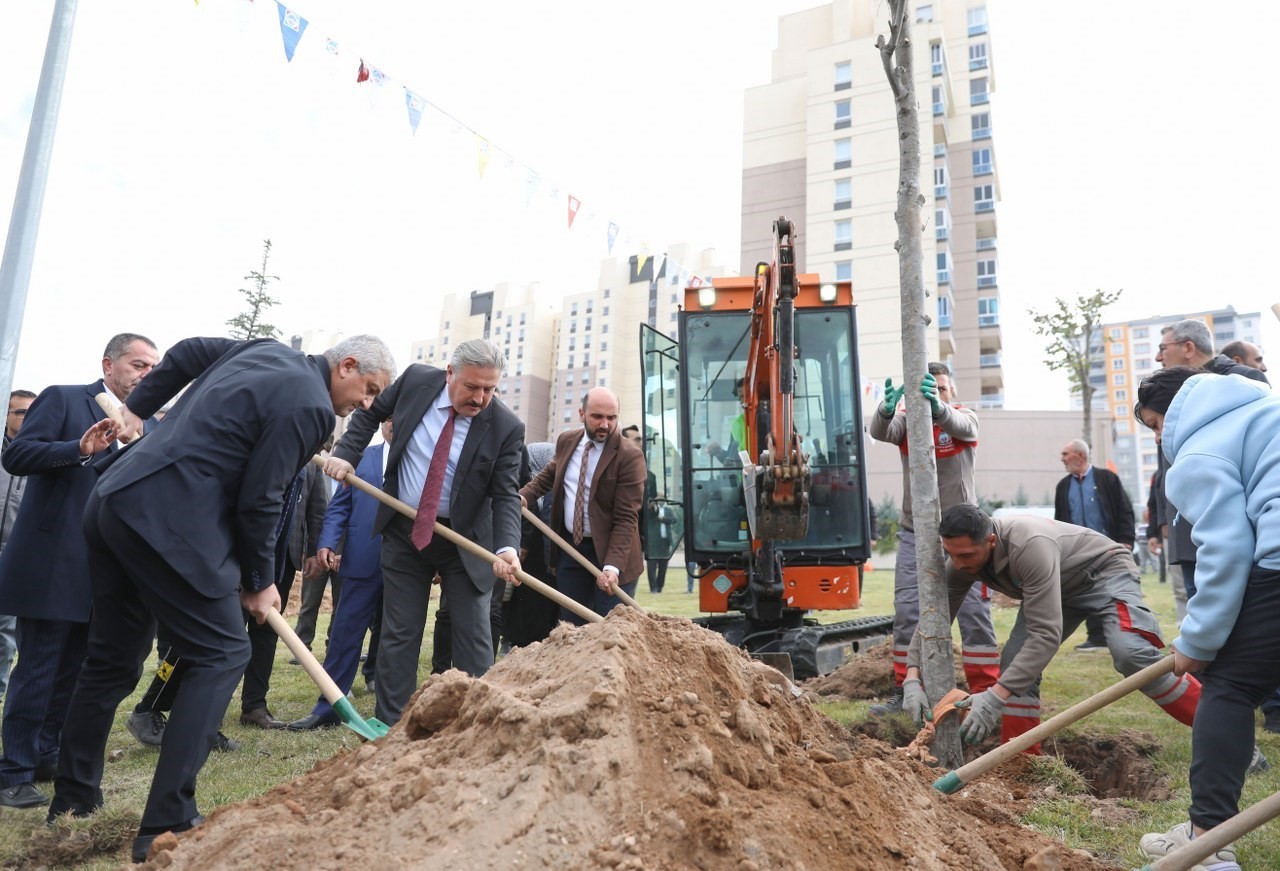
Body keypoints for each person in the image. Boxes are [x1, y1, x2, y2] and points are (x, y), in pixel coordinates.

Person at [46, 334, 393, 862]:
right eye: (368, 390)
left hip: (115, 500)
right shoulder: (312, 407)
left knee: (112, 659)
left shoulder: (263, 350)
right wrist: (258, 578)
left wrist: (134, 410)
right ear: (346, 366)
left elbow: (185, 353)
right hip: (166, 520)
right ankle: (168, 819)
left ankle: (71, 801)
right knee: (224, 652)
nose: (366, 404)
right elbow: (262, 496)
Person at [323, 338, 524, 727]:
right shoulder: (415, 381)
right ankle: (392, 726)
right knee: (399, 633)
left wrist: (507, 548)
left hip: (465, 541)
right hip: (404, 529)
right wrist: (345, 455)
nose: (480, 398)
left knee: (474, 639)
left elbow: (505, 495)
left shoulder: (506, 428)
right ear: (450, 373)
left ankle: (475, 728)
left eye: (490, 389)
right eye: (472, 386)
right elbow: (367, 415)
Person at [0, 334, 159, 810]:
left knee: (76, 674)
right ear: (109, 364)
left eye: (154, 366)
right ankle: (13, 771)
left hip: (108, 572)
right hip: (54, 566)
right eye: (138, 364)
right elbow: (17, 456)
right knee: (39, 669)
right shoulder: (66, 398)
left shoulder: (149, 425)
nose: (146, 373)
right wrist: (79, 448)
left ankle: (48, 754)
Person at [903, 504, 1201, 751]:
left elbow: (1045, 636)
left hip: (1103, 573)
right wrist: (912, 677)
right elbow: (934, 618)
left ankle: (1220, 728)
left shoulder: (1028, 546)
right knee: (1015, 664)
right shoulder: (961, 562)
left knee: (1131, 654)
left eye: (966, 555)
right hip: (1058, 586)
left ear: (991, 541)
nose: (958, 563)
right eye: (951, 554)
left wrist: (994, 698)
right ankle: (1020, 758)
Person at [1134, 365, 1280, 868]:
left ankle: (1208, 840)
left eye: (1154, 425)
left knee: (1231, 687)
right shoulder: (1263, 408)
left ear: (1174, 410)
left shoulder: (1197, 450)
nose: (1158, 438)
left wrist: (1197, 642)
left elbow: (1225, 548)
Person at [866, 363, 999, 715]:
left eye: (940, 388)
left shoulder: (962, 417)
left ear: (951, 391)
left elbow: (962, 425)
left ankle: (987, 692)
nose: (934, 395)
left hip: (965, 536)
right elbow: (879, 430)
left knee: (973, 614)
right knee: (909, 611)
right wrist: (886, 408)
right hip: (915, 533)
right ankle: (907, 690)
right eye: (927, 389)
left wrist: (939, 410)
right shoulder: (908, 423)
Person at [288, 418, 394, 731]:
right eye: (390, 417)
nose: (395, 423)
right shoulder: (361, 458)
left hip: (405, 566)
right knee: (345, 634)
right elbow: (339, 506)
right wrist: (327, 541)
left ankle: (390, 712)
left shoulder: (422, 459)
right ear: (385, 422)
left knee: (394, 637)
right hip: (361, 559)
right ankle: (328, 708)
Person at [519, 388, 645, 624]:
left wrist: (612, 567)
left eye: (612, 418)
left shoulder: (630, 456)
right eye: (597, 416)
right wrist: (524, 495)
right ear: (581, 413)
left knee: (609, 627)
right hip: (572, 550)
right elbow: (549, 475)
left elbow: (626, 518)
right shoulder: (568, 441)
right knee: (572, 625)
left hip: (613, 553)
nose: (605, 425)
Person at [237, 459, 329, 730]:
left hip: (283, 559)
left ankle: (254, 706)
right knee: (228, 629)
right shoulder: (265, 448)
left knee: (266, 630)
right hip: (244, 555)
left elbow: (317, 508)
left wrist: (313, 550)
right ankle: (206, 705)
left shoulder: (312, 463)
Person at [1053, 438, 1135, 651]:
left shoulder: (1107, 478)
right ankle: (1096, 637)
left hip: (1108, 549)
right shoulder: (1063, 486)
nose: (1062, 459)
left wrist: (1126, 541)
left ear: (1080, 455)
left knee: (1112, 590)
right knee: (1085, 589)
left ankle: (1117, 637)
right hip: (1077, 552)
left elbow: (1124, 510)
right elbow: (1058, 520)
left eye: (1065, 454)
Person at [502, 442, 560, 648]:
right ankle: (513, 640)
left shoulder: (556, 489)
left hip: (546, 549)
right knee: (522, 600)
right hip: (526, 547)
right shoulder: (524, 482)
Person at [0, 390, 36, 703]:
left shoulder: (41, 453)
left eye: (31, 413)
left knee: (5, 630)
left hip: (15, 553)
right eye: (20, 412)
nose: (26, 418)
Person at [295, 434, 342, 653]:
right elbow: (312, 515)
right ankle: (302, 645)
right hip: (317, 549)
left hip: (342, 553)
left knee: (340, 603)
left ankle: (334, 643)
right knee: (310, 601)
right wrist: (310, 550)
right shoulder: (316, 473)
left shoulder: (356, 483)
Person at [623, 424, 671, 595]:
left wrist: (653, 509)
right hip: (617, 539)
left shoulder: (650, 476)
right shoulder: (611, 470)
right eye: (636, 439)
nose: (641, 443)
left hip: (638, 542)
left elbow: (648, 513)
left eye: (641, 439)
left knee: (628, 595)